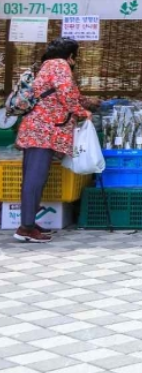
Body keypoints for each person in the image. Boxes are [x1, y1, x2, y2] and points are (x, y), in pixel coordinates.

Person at [14, 38, 91, 244]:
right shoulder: (60, 65)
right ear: (71, 55)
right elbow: (66, 94)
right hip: (43, 131)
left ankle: (28, 222)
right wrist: (83, 112)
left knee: (33, 178)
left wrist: (87, 102)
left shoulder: (48, 65)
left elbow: (63, 94)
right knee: (34, 179)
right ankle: (26, 227)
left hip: (37, 130)